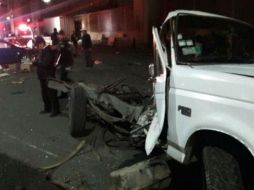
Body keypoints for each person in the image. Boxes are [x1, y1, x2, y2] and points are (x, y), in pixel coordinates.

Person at [34, 36, 60, 117]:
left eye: (38, 45)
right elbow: (41, 61)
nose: (38, 47)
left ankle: (56, 110)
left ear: (42, 43)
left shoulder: (48, 50)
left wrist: (36, 63)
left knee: (51, 93)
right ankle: (47, 108)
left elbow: (45, 63)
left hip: (48, 75)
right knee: (44, 93)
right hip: (42, 76)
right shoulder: (42, 51)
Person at [57, 30, 73, 99]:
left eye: (60, 35)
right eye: (59, 35)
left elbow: (69, 55)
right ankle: (65, 93)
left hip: (66, 64)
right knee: (63, 79)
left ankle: (65, 94)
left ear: (63, 35)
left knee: (63, 79)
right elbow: (60, 54)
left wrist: (69, 65)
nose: (59, 36)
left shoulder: (66, 42)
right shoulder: (61, 42)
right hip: (63, 63)